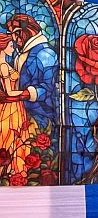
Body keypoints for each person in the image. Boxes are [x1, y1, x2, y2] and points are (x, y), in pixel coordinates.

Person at [0, 14, 59, 130]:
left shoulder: (46, 53)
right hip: (17, 111)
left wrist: (19, 96)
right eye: (11, 34)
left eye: (16, 33)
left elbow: (48, 88)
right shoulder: (19, 53)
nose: (14, 38)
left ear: (29, 30)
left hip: (40, 115)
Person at [0, 33, 36, 176]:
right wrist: (27, 93)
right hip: (11, 108)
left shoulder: (5, 64)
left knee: (15, 138)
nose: (13, 49)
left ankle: (12, 172)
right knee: (11, 137)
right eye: (10, 46)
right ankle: (11, 171)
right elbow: (9, 92)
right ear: (2, 47)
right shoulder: (3, 66)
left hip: (15, 106)